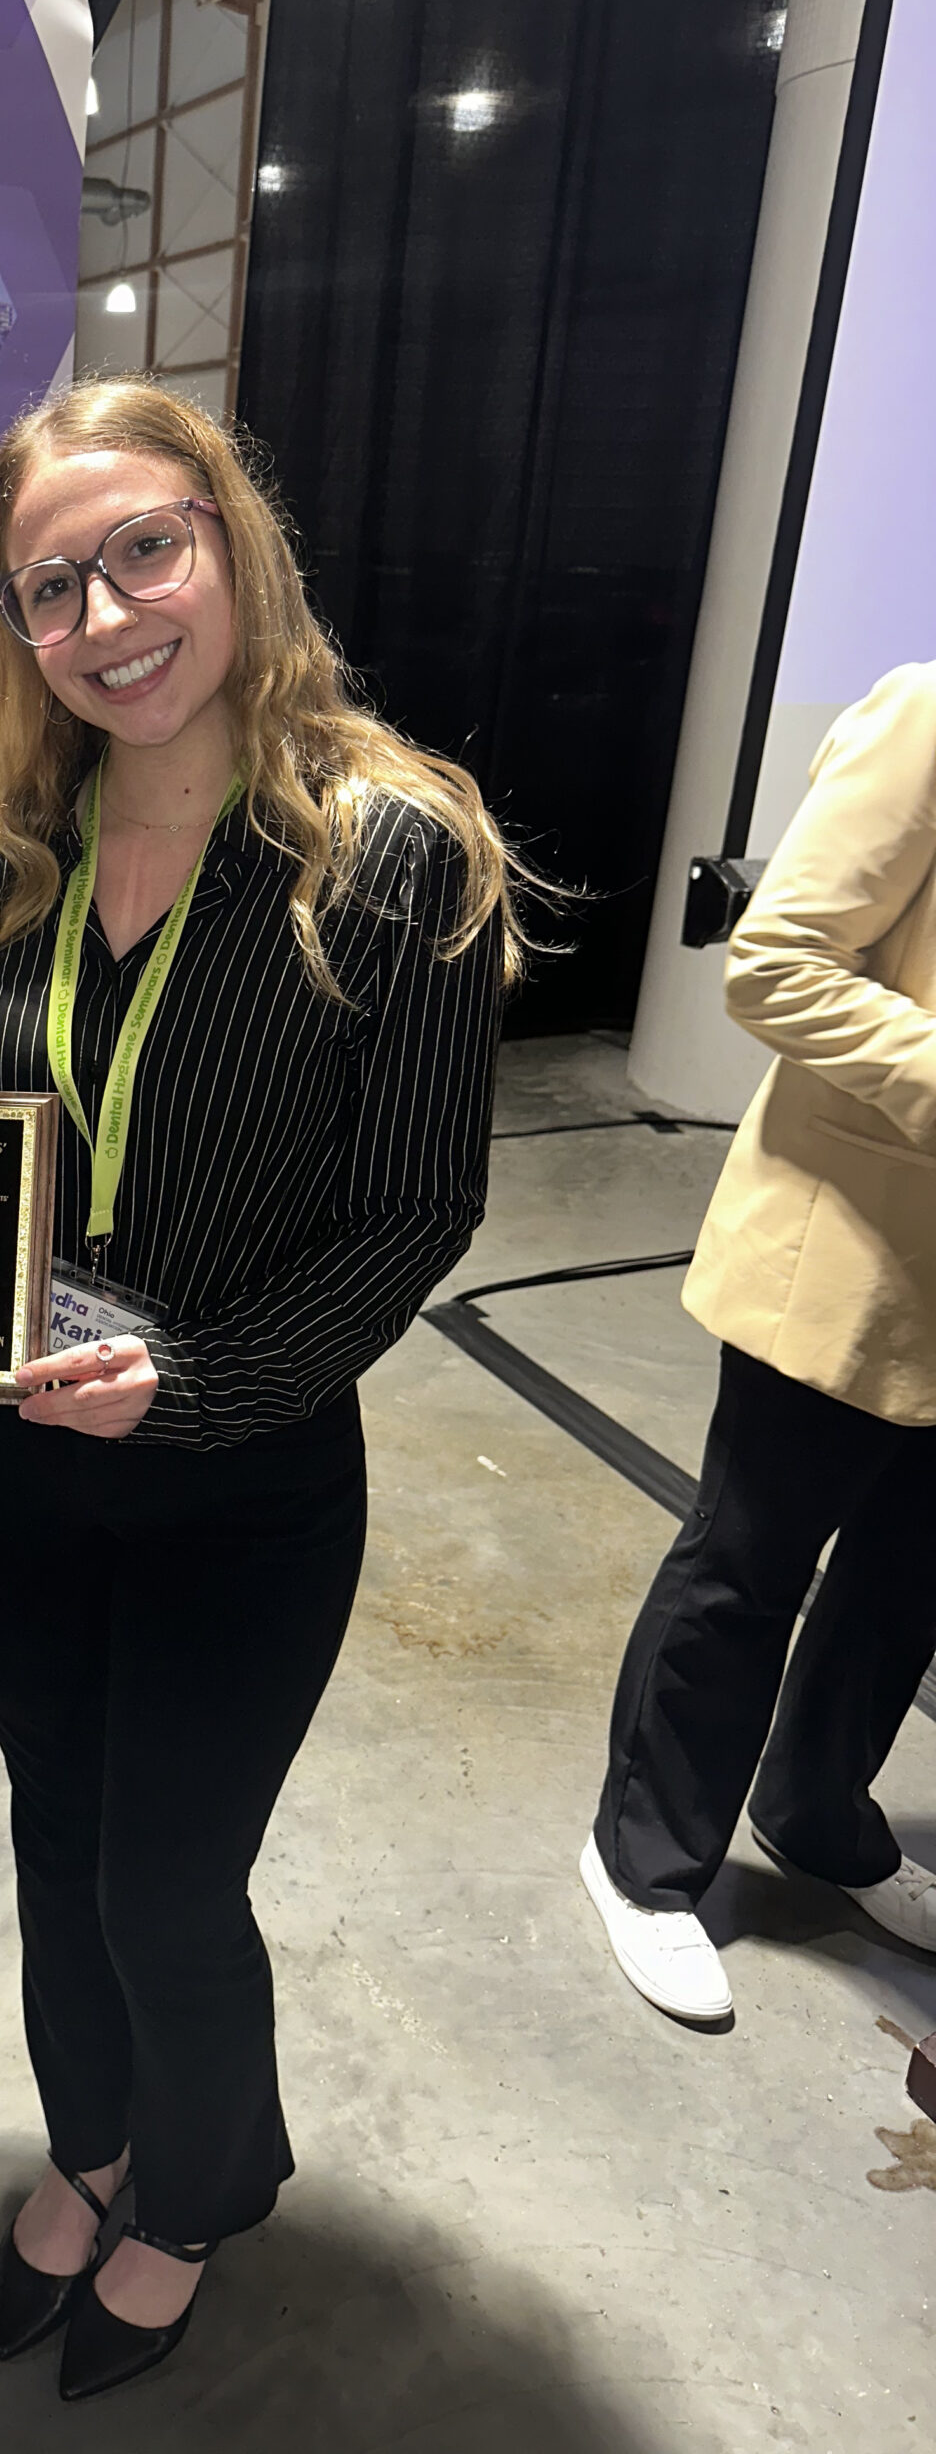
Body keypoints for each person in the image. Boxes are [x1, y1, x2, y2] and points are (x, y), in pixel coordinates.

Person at [0, 380, 521, 2402]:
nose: (104, 612)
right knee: (47, 1831)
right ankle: (91, 2141)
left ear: (231, 540)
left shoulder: (390, 849)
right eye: (49, 584)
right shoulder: (10, 844)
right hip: (10, 1471)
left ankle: (190, 2186)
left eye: (142, 550)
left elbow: (414, 1210)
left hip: (244, 1478)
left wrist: (188, 1383)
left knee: (163, 1872)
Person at [582, 663, 936, 2026]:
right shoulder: (923, 717)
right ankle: (645, 1863)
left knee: (910, 1574)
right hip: (848, 1248)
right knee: (749, 1562)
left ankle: (818, 1810)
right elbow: (777, 964)